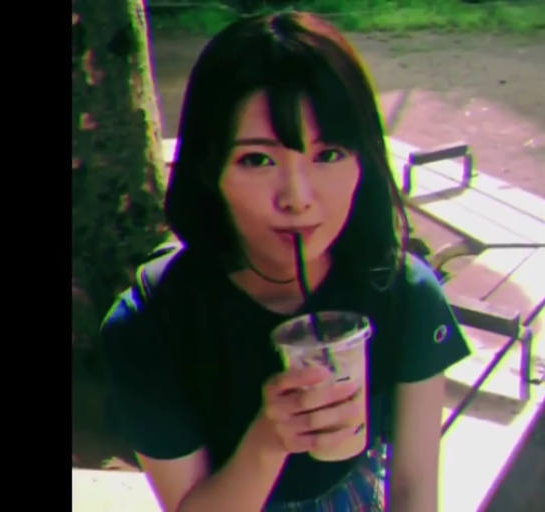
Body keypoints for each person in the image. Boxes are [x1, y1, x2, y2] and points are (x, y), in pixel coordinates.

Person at [101, 12, 471, 512]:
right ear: (209, 170)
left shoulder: (402, 292)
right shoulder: (149, 325)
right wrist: (269, 441)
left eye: (329, 154)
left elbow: (414, 489)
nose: (297, 198)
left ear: (363, 161)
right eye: (257, 160)